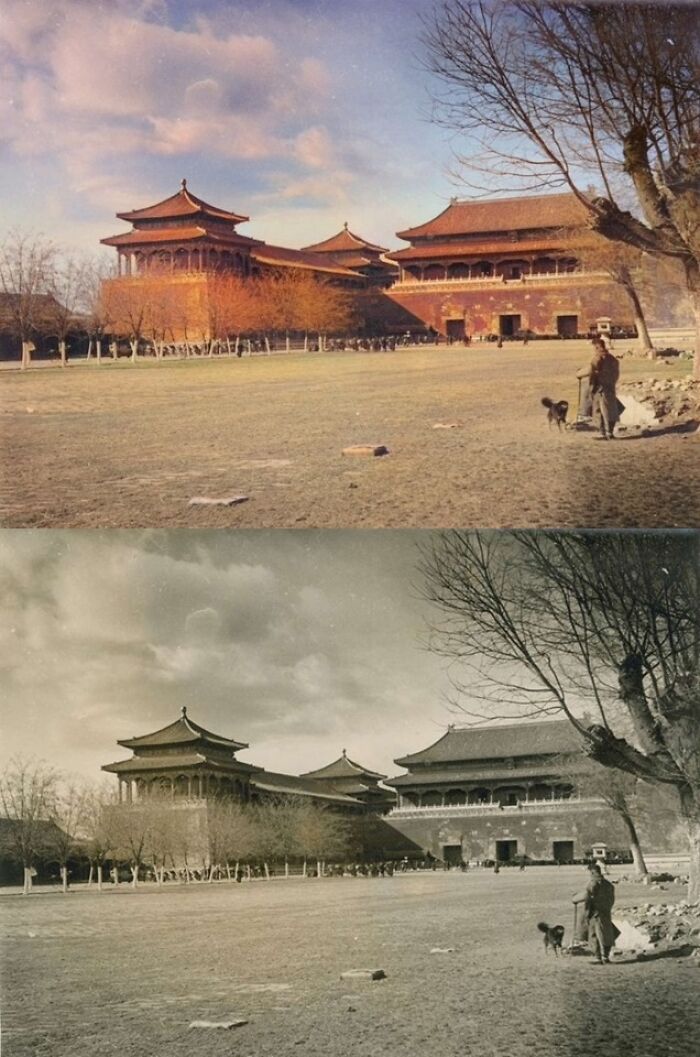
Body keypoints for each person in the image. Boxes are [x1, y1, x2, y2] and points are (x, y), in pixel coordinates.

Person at [572, 863, 620, 965]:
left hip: (595, 913)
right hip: (606, 912)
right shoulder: (609, 885)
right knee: (606, 934)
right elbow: (611, 900)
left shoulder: (593, 883)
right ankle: (605, 957)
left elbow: (586, 895)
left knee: (595, 935)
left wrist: (574, 899)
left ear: (593, 872)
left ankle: (599, 958)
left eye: (590, 873)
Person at [576, 339, 621, 439]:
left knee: (600, 411)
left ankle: (604, 433)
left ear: (597, 347)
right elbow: (616, 374)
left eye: (594, 348)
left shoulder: (598, 358)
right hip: (610, 387)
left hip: (600, 388)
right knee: (610, 409)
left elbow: (590, 370)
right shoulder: (613, 359)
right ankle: (609, 432)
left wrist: (578, 373)